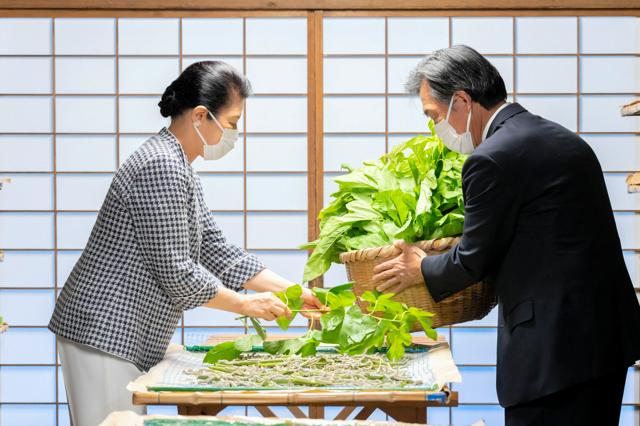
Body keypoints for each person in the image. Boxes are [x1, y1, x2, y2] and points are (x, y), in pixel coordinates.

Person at [371, 45, 640, 425]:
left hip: (554, 354)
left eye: (434, 116)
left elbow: (472, 259)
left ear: (461, 101)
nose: (435, 128)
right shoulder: (559, 137)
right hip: (603, 339)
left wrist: (421, 266)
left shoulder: (491, 158)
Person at [48, 61, 323, 426]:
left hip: (121, 332)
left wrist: (293, 292)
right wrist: (246, 304)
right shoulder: (161, 165)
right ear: (199, 115)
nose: (234, 134)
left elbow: (217, 251)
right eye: (232, 123)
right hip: (105, 329)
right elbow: (177, 273)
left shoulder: (179, 165)